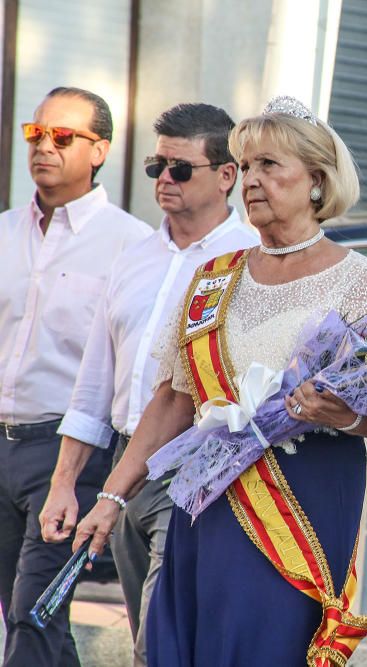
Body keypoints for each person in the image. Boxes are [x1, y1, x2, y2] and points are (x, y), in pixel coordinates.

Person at [71, 97, 367, 666]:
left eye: (269, 166)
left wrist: (343, 416)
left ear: (316, 183)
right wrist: (112, 496)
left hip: (300, 503)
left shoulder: (362, 283)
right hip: (205, 499)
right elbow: (174, 399)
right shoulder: (213, 280)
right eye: (246, 167)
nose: (251, 181)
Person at [38, 103, 257, 667]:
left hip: (198, 463)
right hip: (123, 461)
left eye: (180, 168)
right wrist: (66, 483)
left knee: (155, 645)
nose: (164, 179)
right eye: (155, 166)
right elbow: (93, 384)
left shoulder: (246, 260)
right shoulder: (132, 257)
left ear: (226, 175)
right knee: (149, 628)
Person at [0, 86, 151, 667]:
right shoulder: (7, 231)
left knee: (32, 613)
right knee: (38, 620)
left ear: (100, 150)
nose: (44, 147)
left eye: (63, 137)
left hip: (68, 454)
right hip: (3, 444)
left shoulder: (130, 244)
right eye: (35, 134)